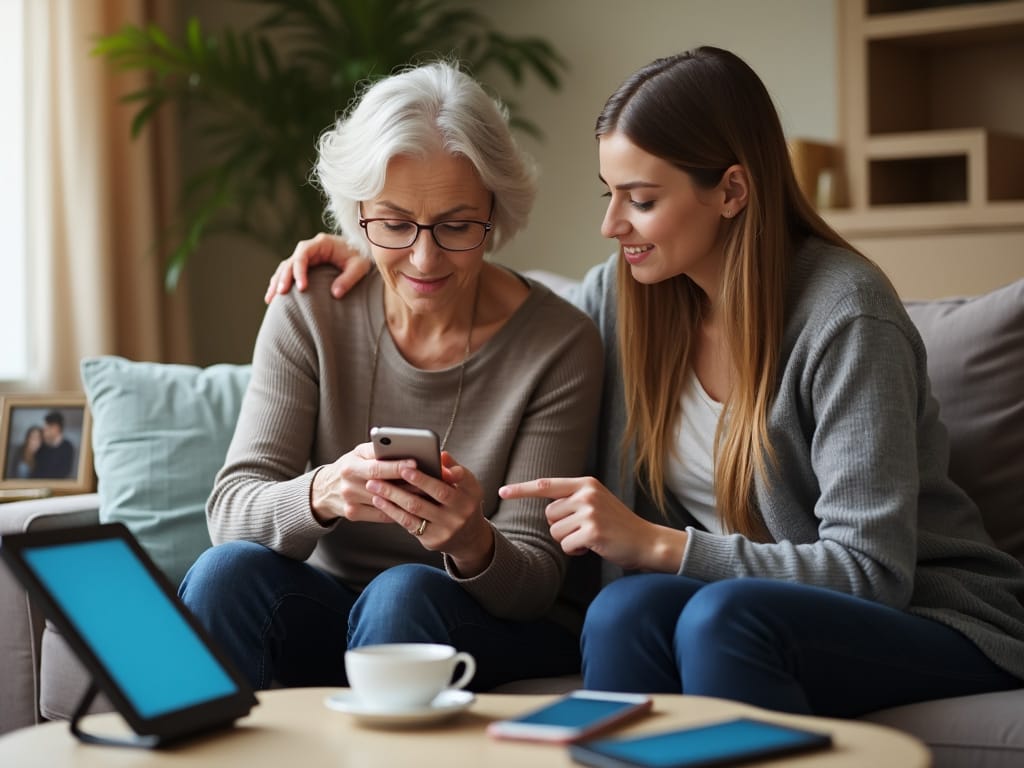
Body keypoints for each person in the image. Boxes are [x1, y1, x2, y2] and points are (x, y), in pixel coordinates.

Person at [266, 46, 1024, 717]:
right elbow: (488, 292)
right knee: (622, 609)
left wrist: (660, 545)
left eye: (643, 199)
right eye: (610, 194)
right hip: (728, 606)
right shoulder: (626, 299)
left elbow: (872, 572)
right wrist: (382, 253)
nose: (612, 225)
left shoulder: (846, 316)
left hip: (929, 615)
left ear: (731, 191)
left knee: (719, 619)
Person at [178, 61, 603, 693]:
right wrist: (322, 491)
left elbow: (536, 581)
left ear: (496, 213)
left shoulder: (558, 343)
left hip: (483, 619)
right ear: (358, 214)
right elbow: (231, 512)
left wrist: (472, 541)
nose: (425, 259)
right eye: (396, 224)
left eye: (457, 226)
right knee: (225, 575)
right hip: (334, 603)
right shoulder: (311, 308)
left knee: (403, 594)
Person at [32, 411, 74, 479]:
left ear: (56, 428)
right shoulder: (41, 445)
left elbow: (65, 472)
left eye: (47, 428)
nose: (44, 431)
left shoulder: (67, 447)